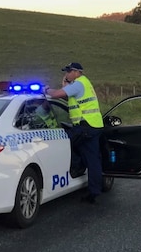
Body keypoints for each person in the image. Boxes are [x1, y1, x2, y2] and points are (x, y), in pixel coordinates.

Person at [43, 62, 104, 204]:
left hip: (86, 126)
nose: (66, 74)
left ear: (77, 72)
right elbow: (68, 98)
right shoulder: (82, 83)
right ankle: (93, 191)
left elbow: (58, 94)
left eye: (68, 71)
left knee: (64, 143)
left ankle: (76, 169)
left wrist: (47, 89)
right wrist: (65, 85)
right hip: (93, 125)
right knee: (92, 158)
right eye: (66, 72)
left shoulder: (78, 83)